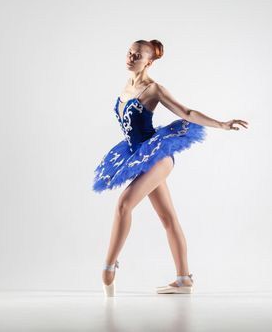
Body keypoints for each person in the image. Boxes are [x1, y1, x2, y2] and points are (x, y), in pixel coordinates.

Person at [93, 39, 249, 296]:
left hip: (157, 157)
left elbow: (186, 111)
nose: (131, 57)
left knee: (124, 204)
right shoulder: (126, 85)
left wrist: (221, 124)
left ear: (149, 61)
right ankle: (183, 279)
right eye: (129, 53)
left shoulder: (153, 89)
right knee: (168, 218)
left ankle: (109, 267)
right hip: (137, 156)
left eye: (138, 55)